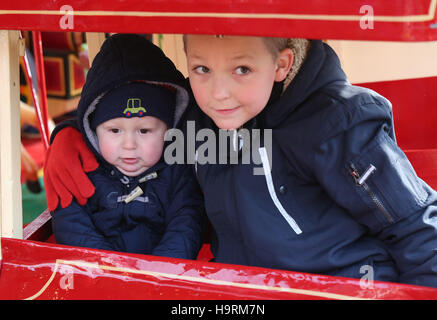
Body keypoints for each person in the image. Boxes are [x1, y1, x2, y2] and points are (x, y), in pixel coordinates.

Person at [44, 34, 437, 288]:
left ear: (281, 65)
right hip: (238, 288)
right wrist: (73, 132)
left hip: (342, 287)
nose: (219, 93)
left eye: (242, 69)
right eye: (201, 69)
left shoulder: (337, 124)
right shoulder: (198, 121)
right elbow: (137, 105)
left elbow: (415, 224)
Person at [49, 34, 204, 259]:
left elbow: (187, 223)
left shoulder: (178, 170)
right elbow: (71, 224)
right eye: (114, 131)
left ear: (169, 130)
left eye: (144, 131)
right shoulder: (83, 168)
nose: (129, 145)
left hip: (159, 284)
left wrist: (156, 273)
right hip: (97, 280)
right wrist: (108, 269)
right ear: (93, 129)